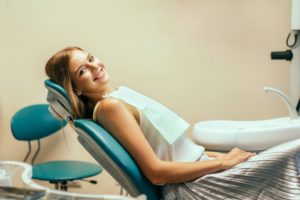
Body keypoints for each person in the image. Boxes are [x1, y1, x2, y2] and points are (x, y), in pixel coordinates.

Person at [45, 46, 300, 199]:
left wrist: (217, 158)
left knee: (285, 155)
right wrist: (223, 162)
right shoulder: (110, 107)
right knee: (294, 152)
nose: (94, 66)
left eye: (90, 58)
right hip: (194, 188)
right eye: (82, 71)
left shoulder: (118, 96)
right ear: (75, 89)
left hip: (202, 172)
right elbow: (156, 173)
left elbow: (179, 150)